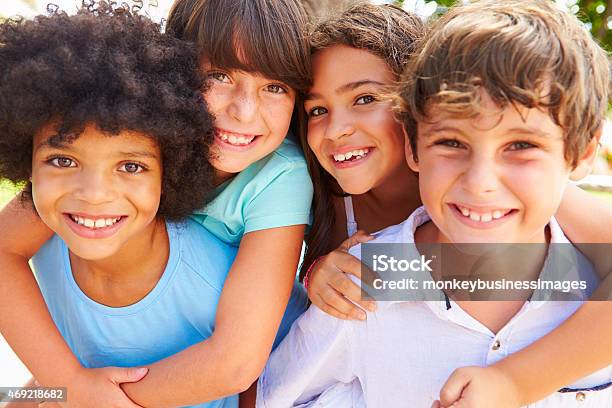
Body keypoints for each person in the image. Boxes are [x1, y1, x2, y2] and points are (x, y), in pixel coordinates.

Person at [263, 2, 612, 406]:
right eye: (318, 110)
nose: (480, 184)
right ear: (417, 142)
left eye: (364, 98)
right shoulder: (321, 203)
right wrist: (318, 273)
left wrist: (519, 381)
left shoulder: (541, 198)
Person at [0, 0, 312, 407]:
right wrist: (66, 382)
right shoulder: (116, 141)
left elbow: (237, 361)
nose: (244, 110)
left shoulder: (280, 175)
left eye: (275, 86)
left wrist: (92, 395)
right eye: (218, 75)